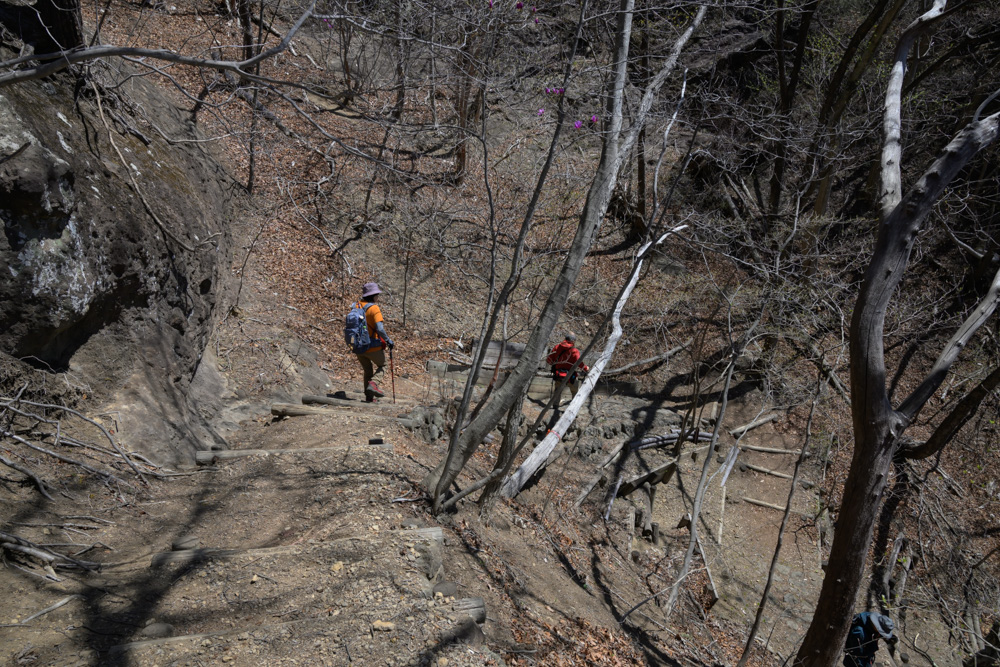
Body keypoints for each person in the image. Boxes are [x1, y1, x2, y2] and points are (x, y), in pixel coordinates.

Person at [353, 282, 394, 402]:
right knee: (383, 365)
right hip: (372, 346)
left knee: (367, 370)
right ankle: (374, 384)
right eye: (377, 295)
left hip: (358, 346)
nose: (378, 297)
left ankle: (369, 397)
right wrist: (388, 340)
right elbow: (380, 328)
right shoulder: (374, 308)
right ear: (374, 296)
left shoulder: (356, 306)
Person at [546, 332, 588, 406]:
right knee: (575, 392)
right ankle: (574, 407)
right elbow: (579, 363)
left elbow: (549, 360)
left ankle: (555, 405)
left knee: (557, 391)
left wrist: (556, 364)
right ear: (573, 341)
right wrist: (585, 368)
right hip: (570, 376)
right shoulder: (574, 351)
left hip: (558, 374)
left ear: (565, 338)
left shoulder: (557, 347)